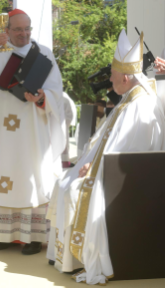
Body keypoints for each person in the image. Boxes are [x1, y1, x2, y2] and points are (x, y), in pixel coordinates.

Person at [46, 29, 165, 285]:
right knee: (64, 181)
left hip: (126, 181)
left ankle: (77, 258)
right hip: (106, 169)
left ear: (125, 76)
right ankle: (66, 257)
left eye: (112, 77)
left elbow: (130, 151)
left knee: (73, 188)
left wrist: (93, 166)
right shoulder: (127, 100)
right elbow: (106, 140)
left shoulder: (140, 105)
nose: (110, 82)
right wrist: (90, 161)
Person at [0, 8, 66, 254]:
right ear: (7, 30)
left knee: (32, 178)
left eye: (27, 28)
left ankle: (32, 237)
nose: (24, 33)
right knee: (2, 176)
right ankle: (3, 234)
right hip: (1, 134)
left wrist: (42, 97)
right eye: (18, 29)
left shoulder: (43, 54)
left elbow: (56, 93)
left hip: (32, 131)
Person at [62, 92, 77, 168]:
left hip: (61, 128)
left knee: (63, 145)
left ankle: (64, 163)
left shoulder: (64, 97)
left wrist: (61, 122)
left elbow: (70, 115)